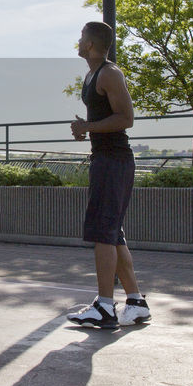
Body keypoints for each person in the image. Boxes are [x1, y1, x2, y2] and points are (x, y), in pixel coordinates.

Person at [66, 21, 151, 329]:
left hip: (115, 161)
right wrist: (85, 129)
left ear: (90, 44)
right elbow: (104, 118)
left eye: (81, 37)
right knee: (113, 233)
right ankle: (136, 302)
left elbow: (126, 118)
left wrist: (87, 127)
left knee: (104, 231)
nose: (77, 41)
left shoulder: (110, 74)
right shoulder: (91, 75)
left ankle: (104, 306)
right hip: (104, 158)